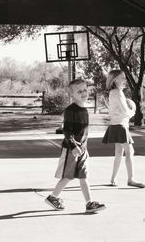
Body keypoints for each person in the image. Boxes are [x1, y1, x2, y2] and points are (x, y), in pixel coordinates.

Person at [45, 78, 106, 213]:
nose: (83, 93)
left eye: (85, 90)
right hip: (72, 150)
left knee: (84, 176)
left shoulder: (84, 110)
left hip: (82, 150)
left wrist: (82, 148)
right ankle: (52, 197)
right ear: (72, 94)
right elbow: (67, 131)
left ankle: (89, 203)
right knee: (68, 176)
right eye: (79, 91)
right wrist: (73, 147)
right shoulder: (71, 110)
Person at [102, 70, 145, 188]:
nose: (125, 80)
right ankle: (131, 179)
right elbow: (125, 111)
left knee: (118, 153)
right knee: (129, 151)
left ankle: (113, 179)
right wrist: (133, 111)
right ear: (115, 79)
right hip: (120, 126)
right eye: (122, 78)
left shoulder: (113, 92)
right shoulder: (118, 92)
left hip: (116, 125)